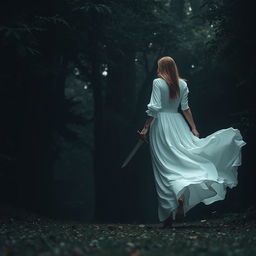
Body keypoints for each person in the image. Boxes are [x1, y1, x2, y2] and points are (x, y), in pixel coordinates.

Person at [137, 56, 247, 229]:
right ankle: (180, 197)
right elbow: (186, 108)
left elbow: (155, 107)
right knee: (184, 160)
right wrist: (193, 128)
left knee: (164, 169)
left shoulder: (158, 83)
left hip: (161, 127)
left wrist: (145, 128)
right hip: (178, 124)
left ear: (161, 68)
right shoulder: (182, 84)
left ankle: (168, 216)